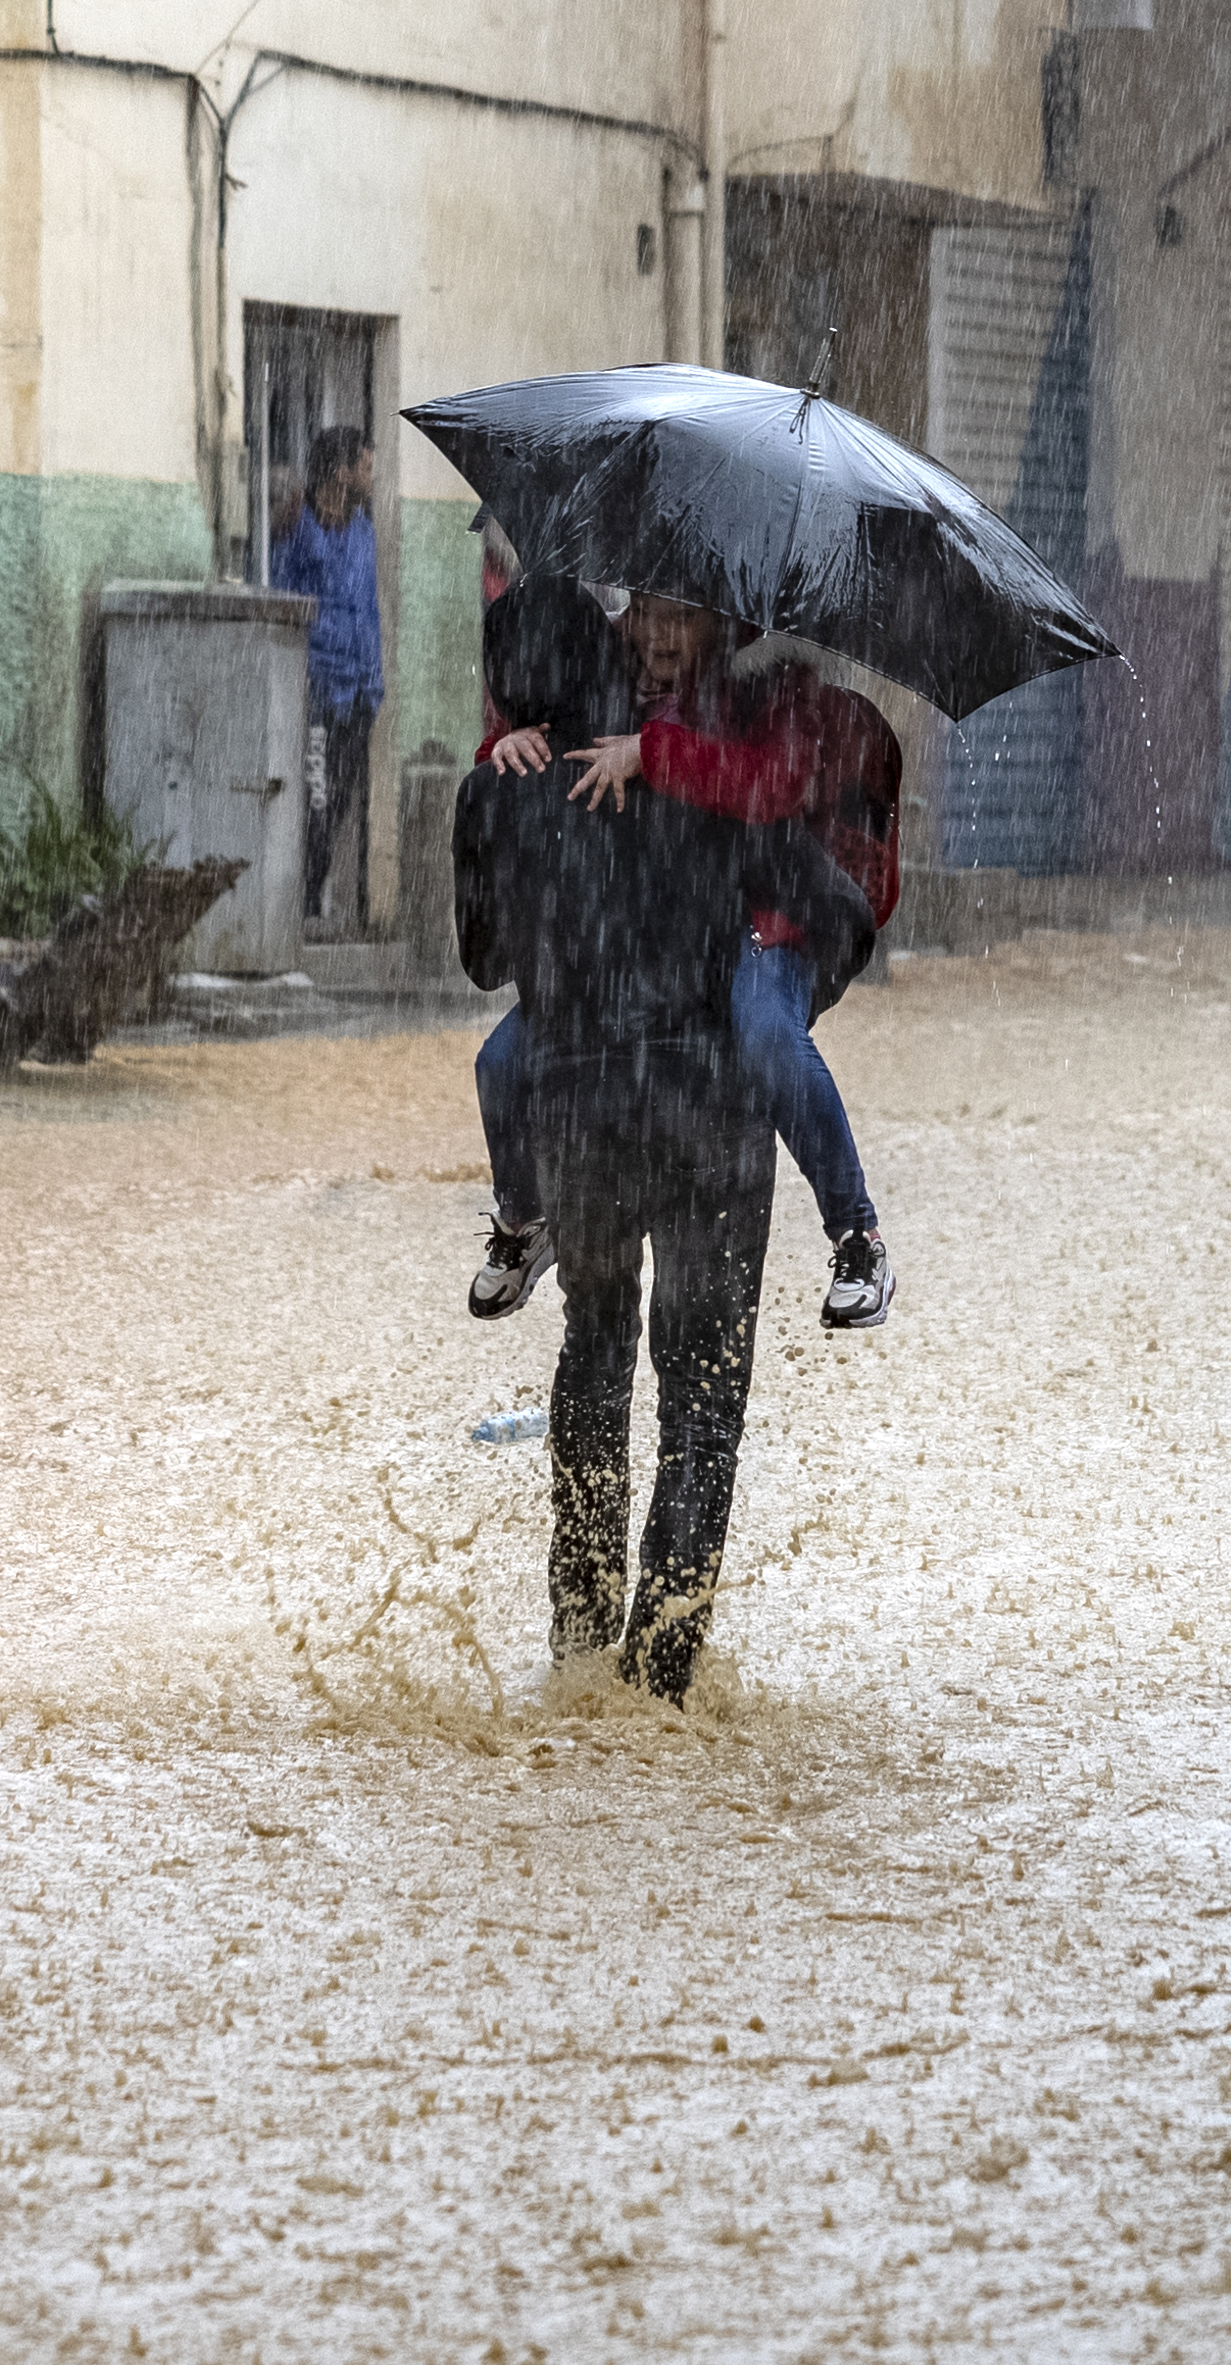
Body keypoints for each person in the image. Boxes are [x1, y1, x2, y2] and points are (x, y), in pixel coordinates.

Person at [451, 569, 804, 1698]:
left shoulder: (499, 795)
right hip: (707, 1114)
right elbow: (782, 903)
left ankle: (578, 1641)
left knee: (595, 1353)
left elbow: (481, 961)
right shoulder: (693, 770)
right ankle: (663, 1674)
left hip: (580, 1114)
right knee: (704, 1394)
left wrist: (509, 773)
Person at [462, 593, 901, 1330]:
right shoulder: (613, 671)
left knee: (762, 1030)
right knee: (501, 1060)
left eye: (683, 616)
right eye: (647, 612)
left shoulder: (777, 686)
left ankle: (856, 1234)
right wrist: (503, 745)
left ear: (723, 621)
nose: (661, 635)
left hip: (773, 919)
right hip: (638, 943)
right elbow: (549, 746)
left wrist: (652, 753)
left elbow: (772, 786)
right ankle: (523, 1218)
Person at [270, 424, 389, 931]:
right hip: (316, 689)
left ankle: (309, 905)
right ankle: (295, 907)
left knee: (337, 803)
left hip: (358, 691)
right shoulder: (297, 526)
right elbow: (282, 600)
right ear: (341, 473)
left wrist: (373, 681)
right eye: (365, 466)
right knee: (313, 802)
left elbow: (368, 610)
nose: (370, 476)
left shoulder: (363, 529)